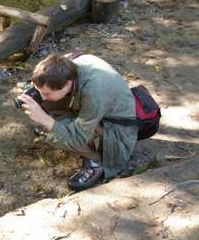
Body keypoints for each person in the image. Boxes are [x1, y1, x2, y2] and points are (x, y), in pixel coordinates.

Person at [18, 54, 137, 191]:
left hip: (117, 134)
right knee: (43, 107)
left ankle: (95, 161)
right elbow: (46, 87)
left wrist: (45, 120)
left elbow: (78, 139)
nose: (42, 96)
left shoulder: (94, 92)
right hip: (100, 112)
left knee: (51, 128)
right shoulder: (65, 65)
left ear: (67, 83)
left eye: (47, 93)